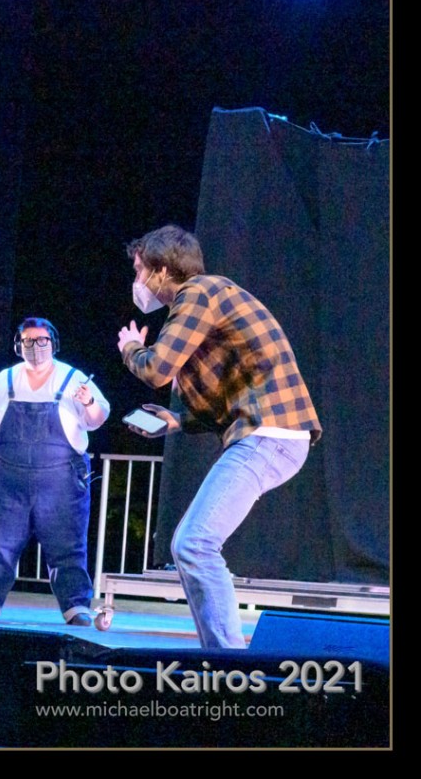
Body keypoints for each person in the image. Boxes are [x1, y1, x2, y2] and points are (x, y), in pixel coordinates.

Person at [117, 224, 321, 648]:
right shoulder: (207, 301)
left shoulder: (198, 293)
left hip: (270, 433)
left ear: (160, 270)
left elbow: (157, 370)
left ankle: (230, 661)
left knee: (194, 544)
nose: (137, 282)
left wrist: (130, 349)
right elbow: (225, 390)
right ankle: (223, 656)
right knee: (191, 544)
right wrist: (177, 421)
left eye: (139, 271)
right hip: (270, 433)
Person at [0, 317, 108, 625]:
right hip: (10, 479)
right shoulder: (7, 378)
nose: (35, 347)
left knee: (67, 544)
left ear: (53, 343)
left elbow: (97, 418)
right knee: (1, 542)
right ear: (18, 345)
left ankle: (76, 606)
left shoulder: (72, 378)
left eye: (41, 340)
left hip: (61, 480)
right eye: (28, 341)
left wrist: (88, 402)